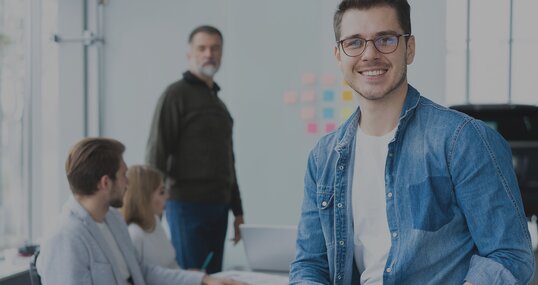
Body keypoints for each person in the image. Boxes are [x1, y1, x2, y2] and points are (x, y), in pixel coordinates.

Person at [289, 0, 535, 284]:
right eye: (354, 42)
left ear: (410, 48)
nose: (370, 54)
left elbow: (509, 255)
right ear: (339, 56)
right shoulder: (324, 157)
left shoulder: (463, 140)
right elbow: (309, 265)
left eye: (385, 39)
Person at [37, 137, 246, 285]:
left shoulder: (112, 220)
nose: (128, 183)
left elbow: (141, 272)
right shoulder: (65, 237)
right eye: (124, 174)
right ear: (105, 183)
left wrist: (203, 280)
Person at [146, 25, 244, 274]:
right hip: (186, 206)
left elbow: (228, 161)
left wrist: (238, 211)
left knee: (214, 277)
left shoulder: (218, 104)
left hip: (219, 207)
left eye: (215, 48)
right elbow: (156, 154)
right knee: (193, 277)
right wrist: (150, 208)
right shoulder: (175, 95)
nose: (209, 53)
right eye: (202, 48)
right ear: (189, 54)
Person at [120, 164, 178, 269]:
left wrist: (192, 277)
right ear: (144, 197)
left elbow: (171, 266)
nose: (167, 196)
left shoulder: (155, 222)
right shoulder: (134, 235)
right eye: (161, 192)